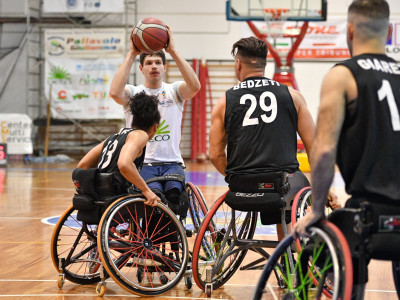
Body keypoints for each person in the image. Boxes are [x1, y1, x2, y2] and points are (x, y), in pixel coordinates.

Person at [293, 0, 399, 298]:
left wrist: (316, 209)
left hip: (367, 214)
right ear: (389, 31)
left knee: (321, 243)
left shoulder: (342, 75)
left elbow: (324, 151)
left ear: (349, 30)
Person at [209, 36, 319, 241]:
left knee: (276, 184)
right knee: (292, 182)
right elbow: (315, 147)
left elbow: (215, 154)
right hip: (279, 187)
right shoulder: (293, 96)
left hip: (240, 187)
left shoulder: (224, 101)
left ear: (238, 64)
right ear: (265, 64)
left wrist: (236, 178)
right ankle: (289, 249)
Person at [109, 25, 201, 206]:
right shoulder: (133, 94)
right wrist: (131, 55)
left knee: (176, 197)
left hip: (172, 162)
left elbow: (195, 86)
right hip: (144, 164)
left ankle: (173, 234)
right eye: (149, 63)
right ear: (141, 68)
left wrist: (172, 51)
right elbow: (114, 93)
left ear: (164, 67)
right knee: (154, 199)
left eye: (158, 63)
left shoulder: (174, 91)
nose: (154, 66)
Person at [77, 91, 161, 206]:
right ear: (155, 127)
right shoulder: (140, 135)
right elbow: (124, 164)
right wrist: (146, 190)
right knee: (158, 197)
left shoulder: (114, 137)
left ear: (133, 121)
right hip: (115, 196)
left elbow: (83, 165)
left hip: (97, 195)